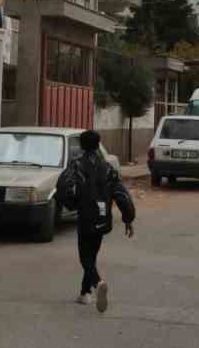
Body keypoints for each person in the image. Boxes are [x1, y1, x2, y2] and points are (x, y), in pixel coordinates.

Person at [59, 129, 137, 313]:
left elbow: (63, 186)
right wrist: (128, 219)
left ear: (81, 145)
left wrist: (72, 204)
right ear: (97, 144)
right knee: (92, 254)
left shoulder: (77, 165)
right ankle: (85, 293)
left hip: (86, 216)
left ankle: (97, 282)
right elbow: (121, 194)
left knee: (85, 258)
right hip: (103, 218)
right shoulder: (108, 167)